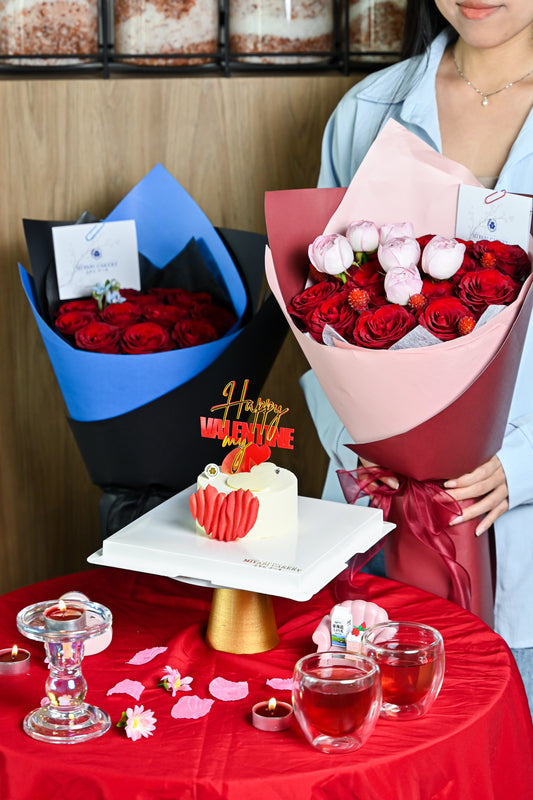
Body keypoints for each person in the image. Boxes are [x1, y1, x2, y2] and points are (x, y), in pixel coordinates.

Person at [300, 0, 533, 715]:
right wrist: (365, 449)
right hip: (383, 518)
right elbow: (317, 314)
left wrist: (517, 468)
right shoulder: (365, 111)